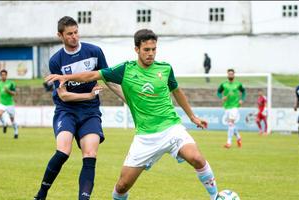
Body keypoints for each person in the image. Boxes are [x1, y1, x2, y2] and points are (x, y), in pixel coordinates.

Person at [46, 29, 220, 200]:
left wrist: (192, 117)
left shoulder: (165, 69)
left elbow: (177, 91)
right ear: (137, 49)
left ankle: (216, 197)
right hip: (145, 138)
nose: (151, 54)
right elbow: (93, 75)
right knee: (122, 187)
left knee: (197, 158)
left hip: (171, 129)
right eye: (146, 50)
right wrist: (66, 78)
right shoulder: (125, 70)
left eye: (154, 49)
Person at [34, 16, 125, 200]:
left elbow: (109, 80)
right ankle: (41, 194)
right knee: (63, 151)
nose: (74, 37)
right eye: (69, 34)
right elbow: (63, 95)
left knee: (90, 154)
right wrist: (89, 95)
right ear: (60, 35)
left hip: (90, 112)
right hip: (66, 110)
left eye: (76, 32)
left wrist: (129, 101)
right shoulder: (56, 61)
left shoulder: (95, 51)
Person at [217, 69, 246, 149]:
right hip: (226, 106)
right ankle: (239, 138)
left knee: (230, 123)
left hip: (235, 106)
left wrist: (242, 100)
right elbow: (218, 92)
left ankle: (228, 142)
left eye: (231, 74)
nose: (230, 75)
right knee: (231, 124)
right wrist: (222, 97)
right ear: (227, 75)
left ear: (234, 75)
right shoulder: (224, 84)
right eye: (229, 74)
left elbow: (243, 92)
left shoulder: (238, 84)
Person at [0, 69, 18, 138]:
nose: (3, 76)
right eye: (2, 75)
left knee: (12, 119)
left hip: (10, 104)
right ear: (0, 76)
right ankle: (4, 124)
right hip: (2, 103)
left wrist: (8, 91)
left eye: (4, 75)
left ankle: (16, 132)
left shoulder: (11, 83)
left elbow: (14, 93)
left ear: (6, 75)